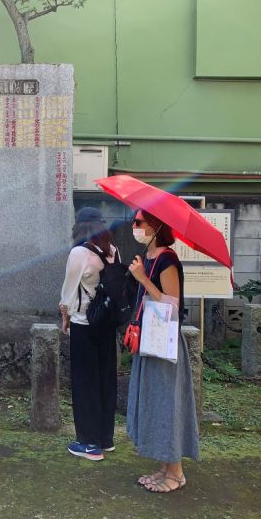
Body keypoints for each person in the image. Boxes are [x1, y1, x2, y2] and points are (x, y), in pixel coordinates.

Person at [126, 209, 199, 493]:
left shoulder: (168, 259)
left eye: (139, 222)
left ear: (155, 226)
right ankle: (165, 466)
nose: (134, 227)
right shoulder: (148, 257)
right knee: (156, 400)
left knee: (167, 401)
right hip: (150, 339)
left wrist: (143, 279)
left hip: (164, 342)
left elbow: (172, 306)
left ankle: (176, 472)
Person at [59, 207, 120, 461]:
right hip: (107, 324)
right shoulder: (112, 250)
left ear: (79, 227)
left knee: (85, 383)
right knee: (106, 380)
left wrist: (65, 319)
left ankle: (89, 443)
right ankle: (105, 438)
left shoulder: (79, 253)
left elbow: (68, 294)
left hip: (84, 324)